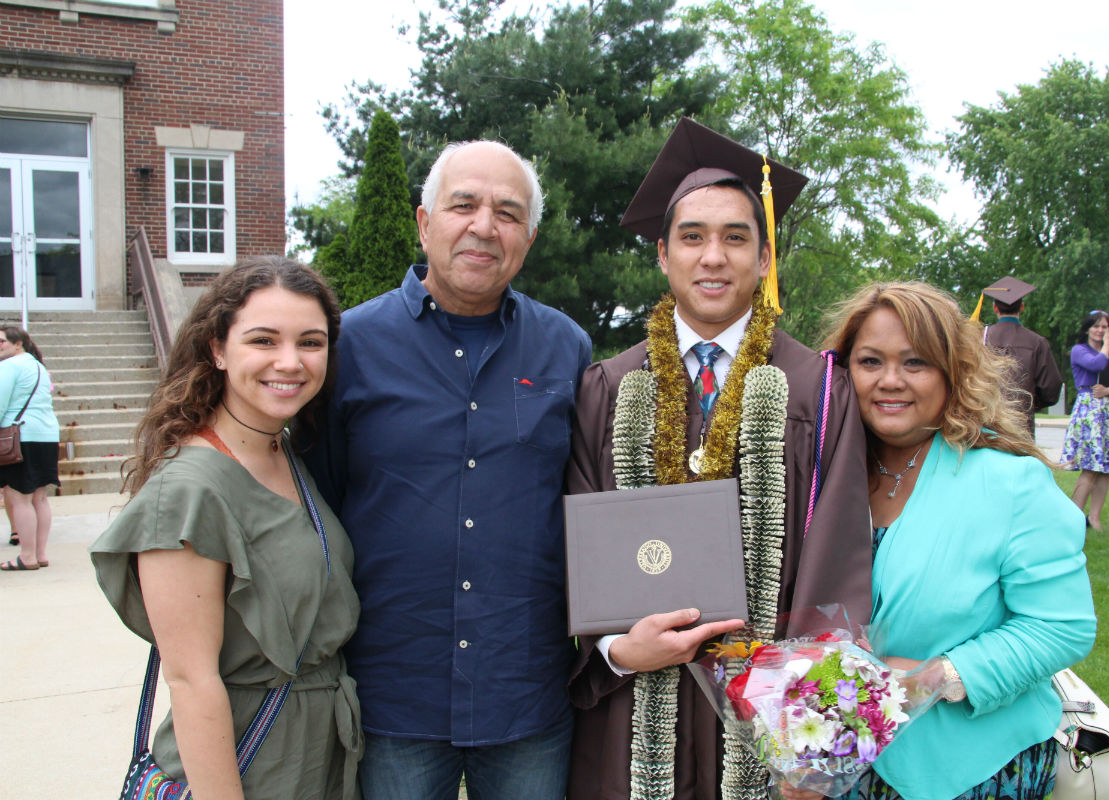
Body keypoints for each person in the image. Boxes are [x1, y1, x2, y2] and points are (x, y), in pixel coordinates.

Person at [566, 118, 872, 800]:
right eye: (692, 237)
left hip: (771, 700)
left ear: (764, 258)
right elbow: (579, 548)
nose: (713, 257)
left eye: (736, 237)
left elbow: (839, 556)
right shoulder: (608, 387)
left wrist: (815, 734)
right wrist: (616, 649)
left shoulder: (820, 390)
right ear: (662, 254)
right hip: (635, 705)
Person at [302, 140, 591, 800]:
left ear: (529, 239)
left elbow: (584, 499)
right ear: (424, 222)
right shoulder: (350, 346)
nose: (484, 226)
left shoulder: (566, 349)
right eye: (463, 205)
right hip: (394, 694)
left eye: (508, 213)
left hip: (526, 693)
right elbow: (320, 500)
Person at [90, 257, 362, 798]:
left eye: (310, 342)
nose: (290, 362)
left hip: (320, 761)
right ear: (217, 348)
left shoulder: (284, 452)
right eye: (263, 340)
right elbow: (192, 681)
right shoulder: (188, 491)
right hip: (246, 765)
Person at [824, 281, 1096, 800]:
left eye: (916, 362)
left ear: (953, 371)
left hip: (971, 765)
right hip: (835, 761)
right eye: (870, 361)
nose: (890, 381)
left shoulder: (1010, 483)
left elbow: (1061, 627)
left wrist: (937, 677)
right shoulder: (823, 477)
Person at [1059, 310, 1109, 530]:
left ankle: (1095, 518)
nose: (1100, 330)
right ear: (1087, 329)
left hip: (1108, 410)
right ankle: (1074, 517)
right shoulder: (1079, 350)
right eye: (1096, 326)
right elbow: (1097, 365)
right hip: (1089, 410)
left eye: (1105, 327)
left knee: (1105, 468)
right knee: (1090, 467)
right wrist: (1107, 346)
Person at [0, 326, 60, 572]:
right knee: (40, 497)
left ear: (18, 344)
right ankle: (40, 554)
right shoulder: (39, 367)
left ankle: (27, 556)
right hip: (47, 435)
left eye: (2, 341)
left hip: (20, 436)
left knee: (19, 497)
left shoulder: (9, 366)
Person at [976, 276, 1062, 435]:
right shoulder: (1037, 342)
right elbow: (1051, 391)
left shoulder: (980, 338)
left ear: (995, 308)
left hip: (986, 423)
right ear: (1022, 308)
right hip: (1022, 426)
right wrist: (1027, 403)